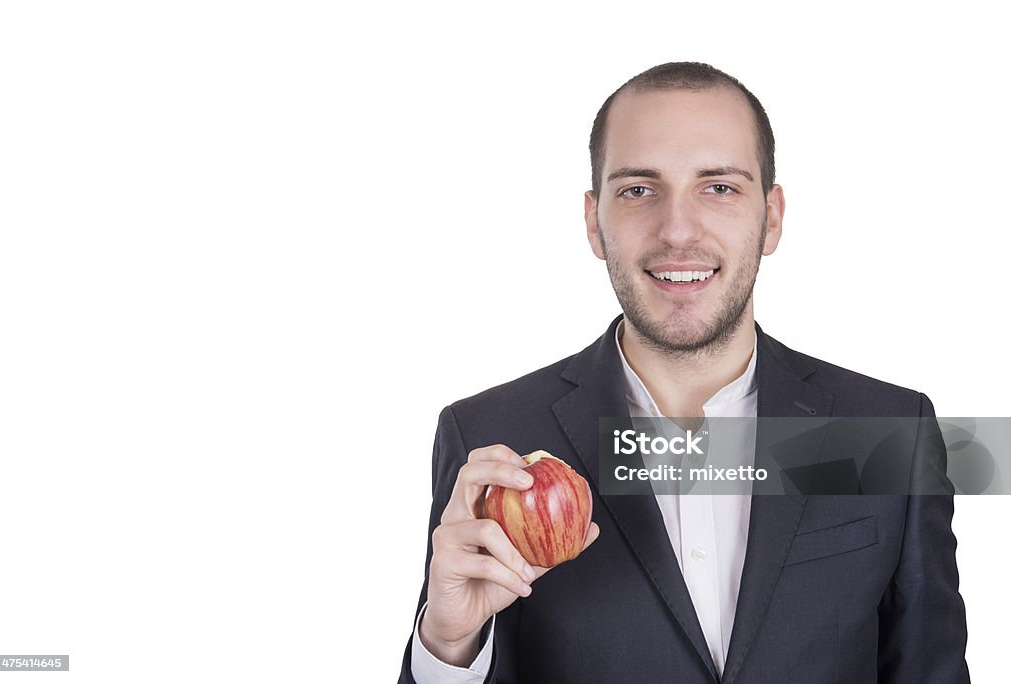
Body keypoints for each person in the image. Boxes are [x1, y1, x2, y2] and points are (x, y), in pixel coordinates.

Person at [398, 62, 970, 683]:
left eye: (718, 187)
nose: (677, 231)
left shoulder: (890, 429)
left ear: (772, 218)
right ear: (594, 221)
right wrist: (448, 644)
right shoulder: (488, 436)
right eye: (638, 190)